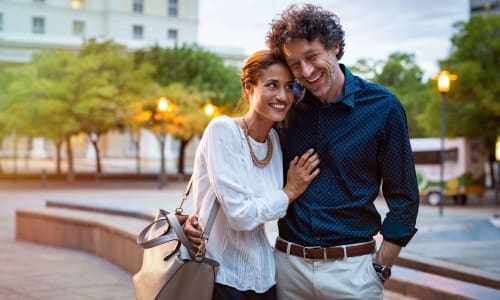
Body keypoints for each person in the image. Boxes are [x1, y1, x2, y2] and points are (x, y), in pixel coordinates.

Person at [263, 4, 420, 299]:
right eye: (295, 64)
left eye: (312, 57)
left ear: (334, 47)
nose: (306, 72)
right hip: (287, 270)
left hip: (353, 273)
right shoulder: (286, 110)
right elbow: (248, 160)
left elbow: (405, 197)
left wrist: (380, 267)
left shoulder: (383, 107)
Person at [186, 49, 320, 300]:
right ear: (249, 88)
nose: (283, 96)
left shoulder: (275, 141)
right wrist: (289, 192)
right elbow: (240, 217)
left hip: (266, 279)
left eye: (289, 86)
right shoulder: (223, 130)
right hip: (222, 278)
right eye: (272, 85)